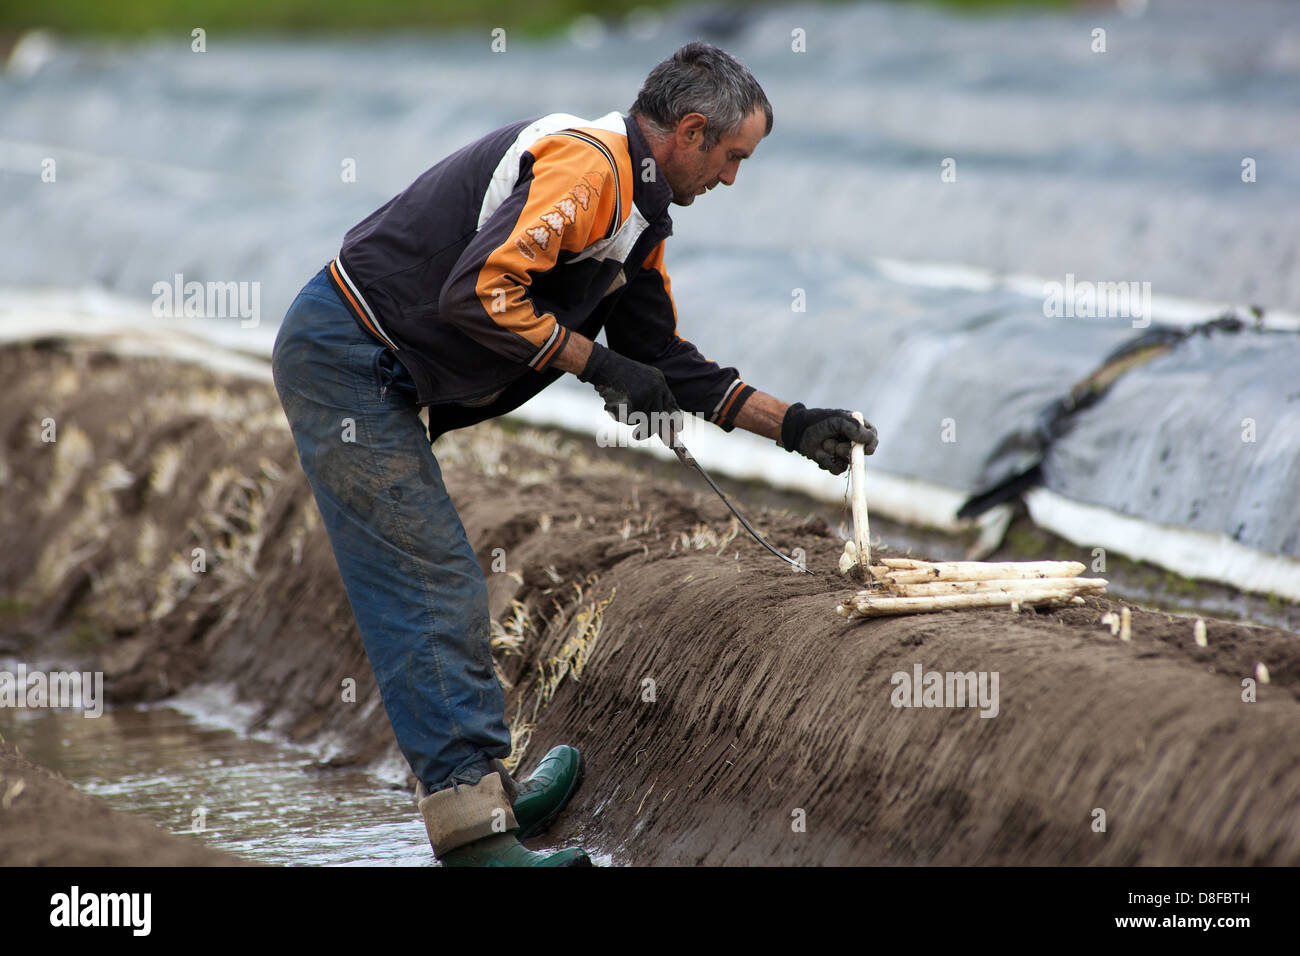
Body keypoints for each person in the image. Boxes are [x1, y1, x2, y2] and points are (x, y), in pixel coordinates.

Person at [270, 41, 878, 867]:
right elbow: (479, 289)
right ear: (692, 132)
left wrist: (796, 424)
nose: (733, 179)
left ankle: (491, 792)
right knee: (430, 577)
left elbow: (661, 355)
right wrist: (596, 364)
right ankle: (476, 835)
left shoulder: (638, 213)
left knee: (438, 574)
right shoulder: (588, 171)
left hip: (384, 365)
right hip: (345, 356)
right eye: (733, 158)